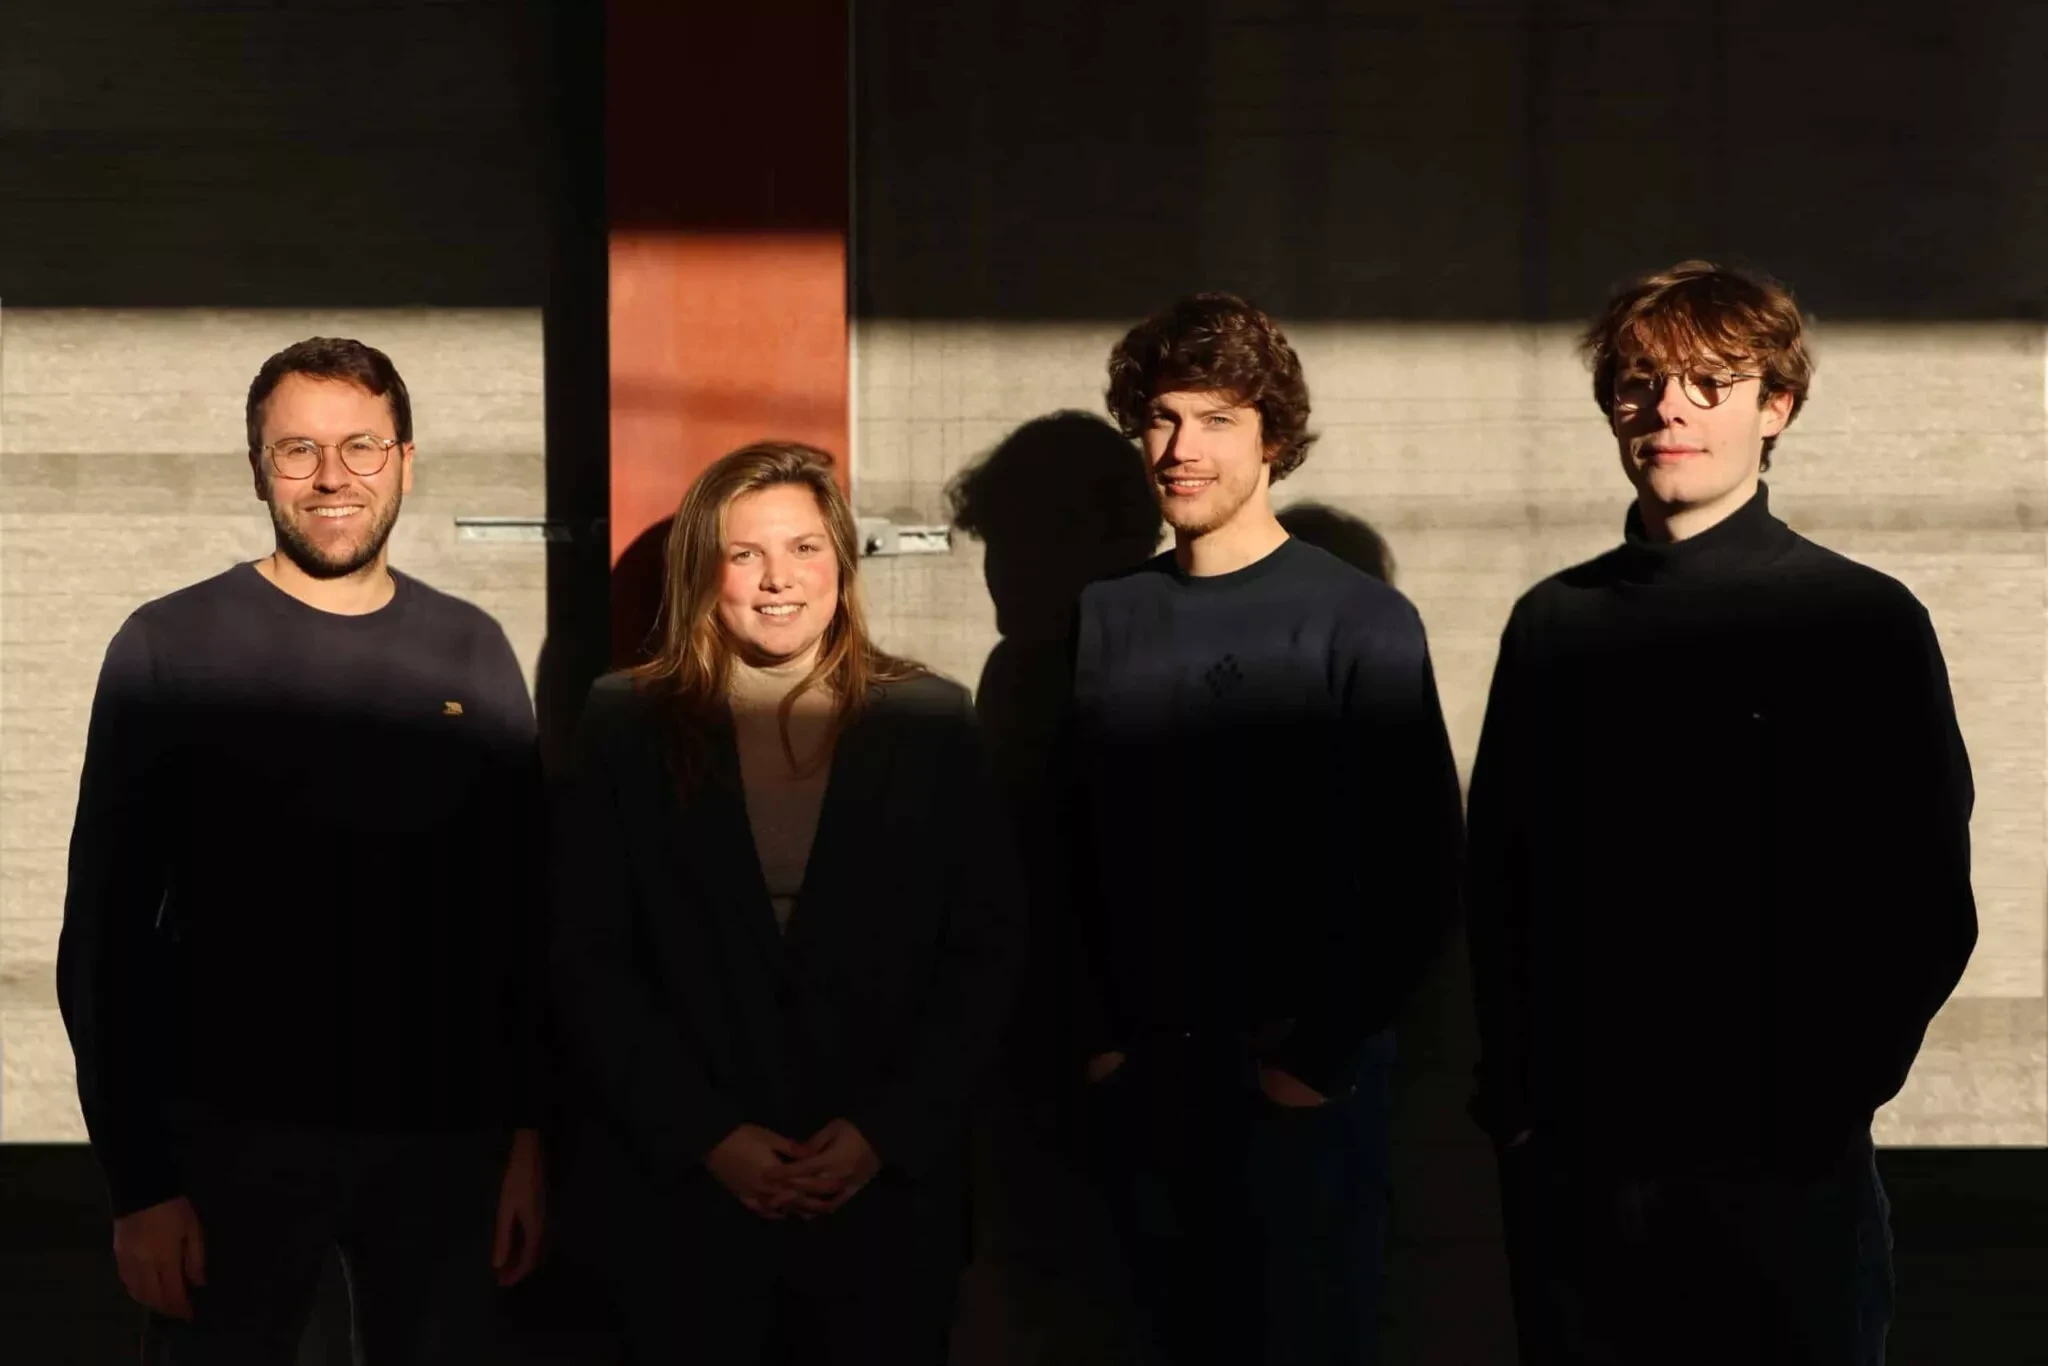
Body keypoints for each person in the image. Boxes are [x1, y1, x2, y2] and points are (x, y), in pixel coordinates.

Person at [1464, 260, 1978, 1365]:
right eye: (1640, 383)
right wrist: (1518, 1110)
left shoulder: (1859, 619)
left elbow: (1924, 898)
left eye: (1709, 383)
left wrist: (1816, 1109)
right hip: (1577, 1169)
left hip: (1779, 1176)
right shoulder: (1553, 620)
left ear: (1775, 406)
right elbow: (1500, 879)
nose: (1668, 410)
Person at [57, 337, 547, 1362]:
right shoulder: (168, 646)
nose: (333, 477)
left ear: (405, 461)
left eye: (362, 446)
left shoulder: (471, 648)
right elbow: (104, 932)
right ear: (257, 468)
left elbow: (519, 919)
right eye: (298, 450)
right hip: (227, 1143)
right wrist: (139, 1184)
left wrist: (527, 1138)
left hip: (442, 1143)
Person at [551, 441, 1024, 1364]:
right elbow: (585, 956)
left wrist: (885, 1133)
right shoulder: (624, 723)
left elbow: (987, 951)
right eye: (746, 553)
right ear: (704, 571)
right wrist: (709, 1137)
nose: (779, 580)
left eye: (805, 548)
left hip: (886, 1209)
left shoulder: (933, 720)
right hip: (685, 1207)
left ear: (841, 563)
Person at [1068, 293, 1465, 1364]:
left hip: (1297, 1083)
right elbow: (1072, 846)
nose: (1180, 448)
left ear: (1272, 438)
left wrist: (1314, 1061)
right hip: (1146, 1082)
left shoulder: (1358, 619)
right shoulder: (1108, 614)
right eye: (1161, 417)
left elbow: (1420, 865)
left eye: (1216, 419)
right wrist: (1101, 1043)